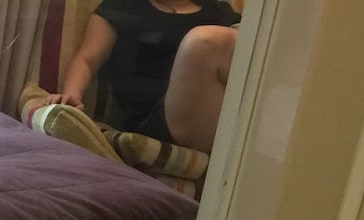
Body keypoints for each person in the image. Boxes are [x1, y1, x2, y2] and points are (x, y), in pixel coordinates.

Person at [51, 0, 241, 153]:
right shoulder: (123, 6)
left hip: (226, 111)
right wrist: (72, 96)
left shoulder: (218, 11)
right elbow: (88, 59)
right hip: (156, 120)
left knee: (244, 42)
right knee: (202, 43)